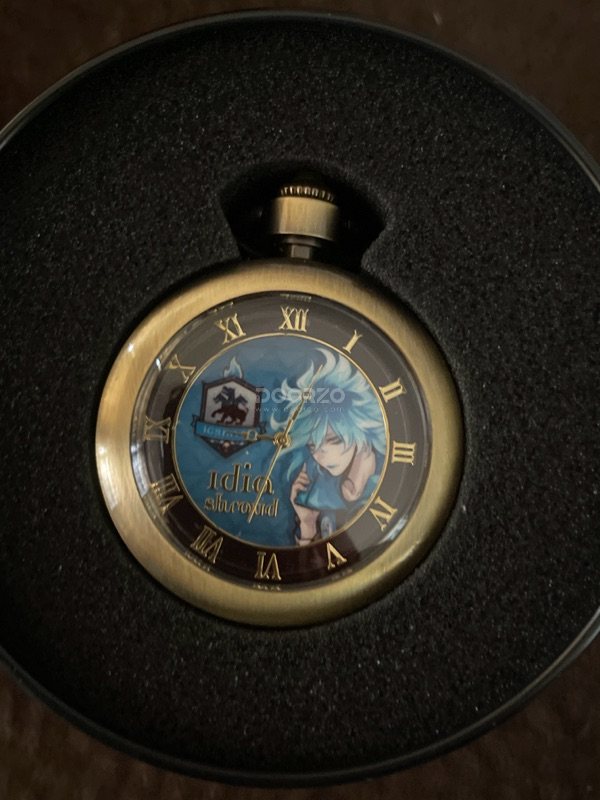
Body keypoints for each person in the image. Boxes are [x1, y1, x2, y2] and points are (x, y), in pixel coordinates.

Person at [272, 347, 387, 545]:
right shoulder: (319, 488)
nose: (320, 456)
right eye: (311, 446)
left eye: (334, 440)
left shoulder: (383, 484)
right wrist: (307, 524)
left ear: (362, 433)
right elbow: (314, 564)